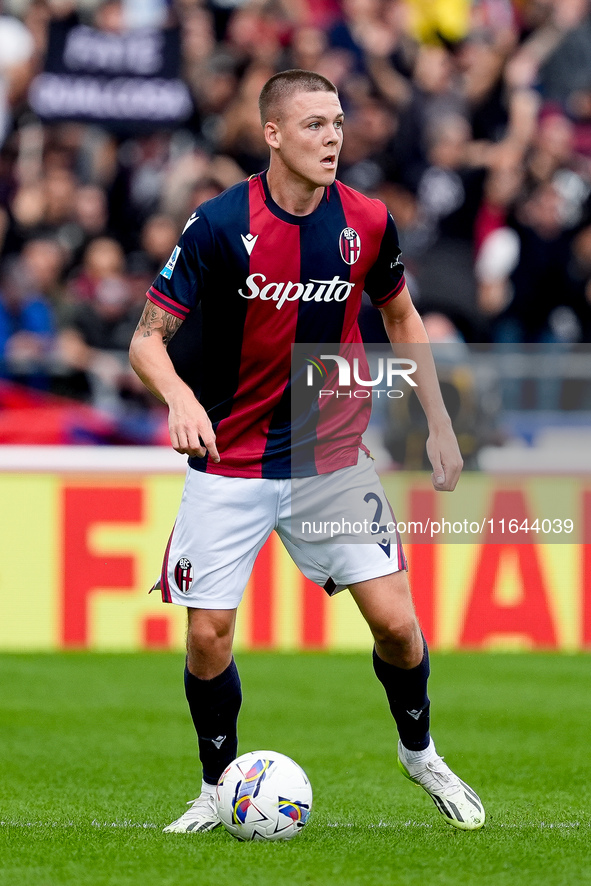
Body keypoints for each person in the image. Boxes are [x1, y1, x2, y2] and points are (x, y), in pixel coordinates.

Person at [129, 69, 485, 834]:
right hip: (231, 458)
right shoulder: (220, 225)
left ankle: (419, 752)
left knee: (396, 624)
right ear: (273, 134)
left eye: (337, 122)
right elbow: (145, 342)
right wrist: (182, 398)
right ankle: (215, 784)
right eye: (315, 124)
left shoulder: (366, 221)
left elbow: (401, 316)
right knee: (206, 637)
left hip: (331, 456)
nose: (332, 137)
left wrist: (439, 421)